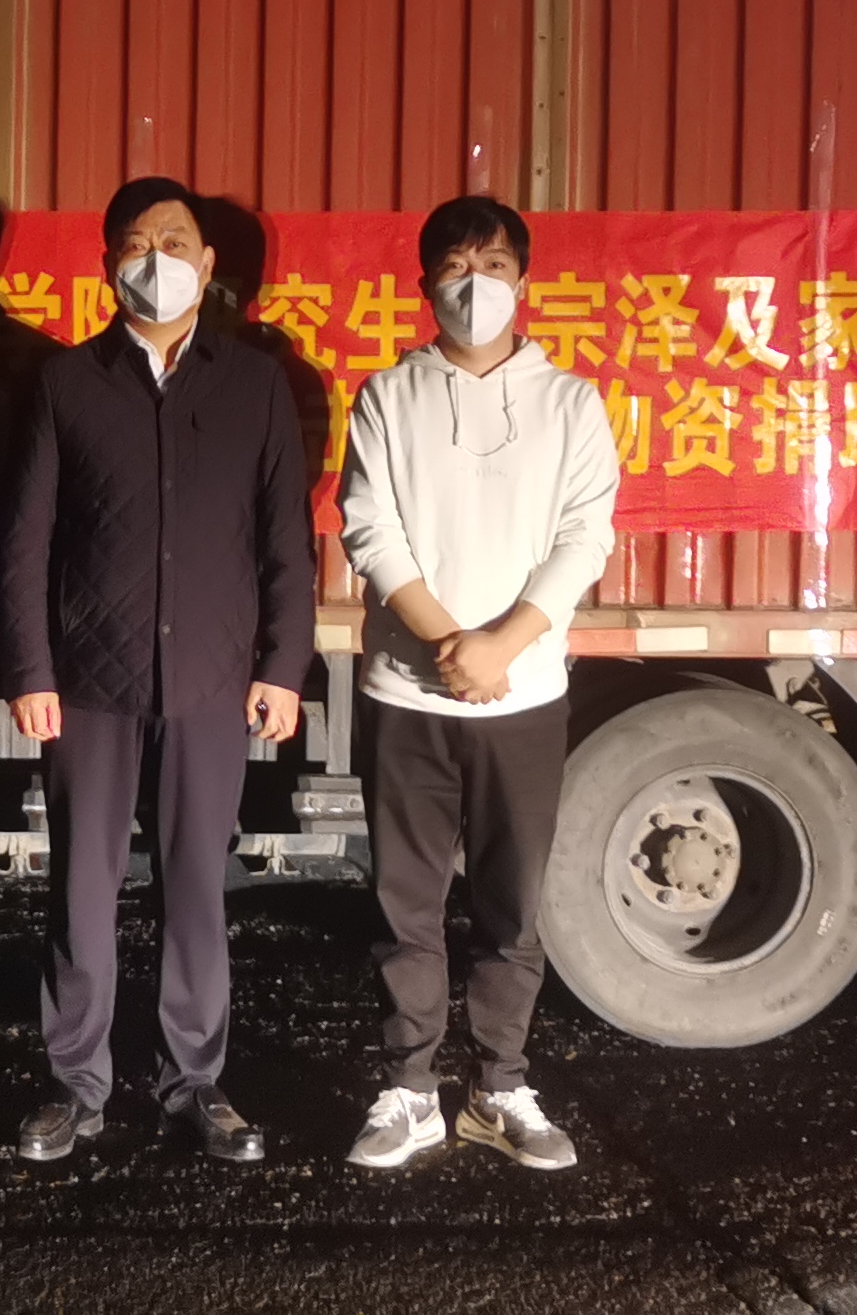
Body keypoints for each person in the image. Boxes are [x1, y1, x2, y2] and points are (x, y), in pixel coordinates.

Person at [0, 177, 315, 1166]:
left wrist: (283, 665)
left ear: (209, 265)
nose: (157, 260)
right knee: (80, 889)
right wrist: (29, 668)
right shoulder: (66, 382)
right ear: (107, 265)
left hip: (214, 679)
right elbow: (26, 541)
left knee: (196, 886)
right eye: (136, 244)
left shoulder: (255, 384)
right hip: (88, 681)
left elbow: (285, 539)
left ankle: (196, 1081)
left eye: (175, 243)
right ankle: (75, 1085)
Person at [336, 194, 618, 1172]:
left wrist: (504, 645)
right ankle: (410, 1091)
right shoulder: (388, 396)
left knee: (511, 906)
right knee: (405, 907)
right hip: (405, 695)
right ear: (424, 284)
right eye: (456, 267)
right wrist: (452, 642)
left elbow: (585, 536)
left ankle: (500, 1087)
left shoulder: (571, 403)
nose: (475, 285)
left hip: (523, 696)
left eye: (493, 266)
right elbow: (370, 529)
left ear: (523, 281)